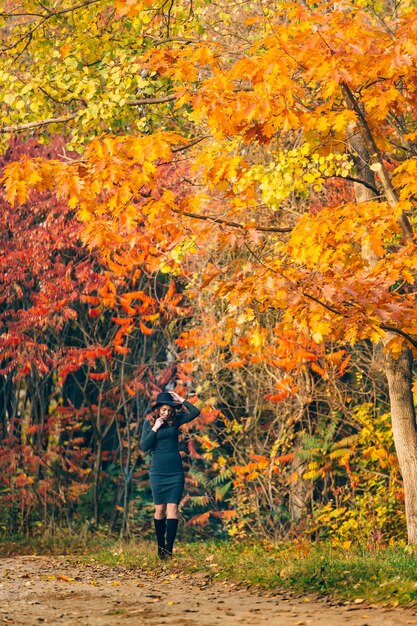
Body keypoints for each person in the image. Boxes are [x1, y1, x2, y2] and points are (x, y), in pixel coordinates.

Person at [140, 390, 200, 559]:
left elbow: (195, 412)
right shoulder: (149, 424)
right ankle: (160, 548)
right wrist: (156, 428)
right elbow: (144, 447)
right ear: (157, 409)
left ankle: (168, 550)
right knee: (160, 509)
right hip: (158, 471)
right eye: (163, 410)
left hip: (175, 471)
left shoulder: (176, 420)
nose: (166, 413)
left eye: (169, 410)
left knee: (173, 507)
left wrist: (180, 399)